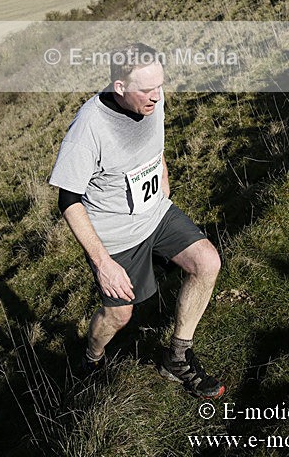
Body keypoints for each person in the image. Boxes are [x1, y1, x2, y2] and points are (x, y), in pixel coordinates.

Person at [48, 43, 224, 398]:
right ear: (119, 88)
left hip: (156, 214)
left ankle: (176, 357)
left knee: (207, 262)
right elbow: (68, 200)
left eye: (161, 86)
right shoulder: (89, 127)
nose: (157, 97)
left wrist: (164, 199)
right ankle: (90, 360)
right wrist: (103, 264)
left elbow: (156, 152)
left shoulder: (152, 100)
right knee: (119, 316)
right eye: (147, 89)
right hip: (116, 238)